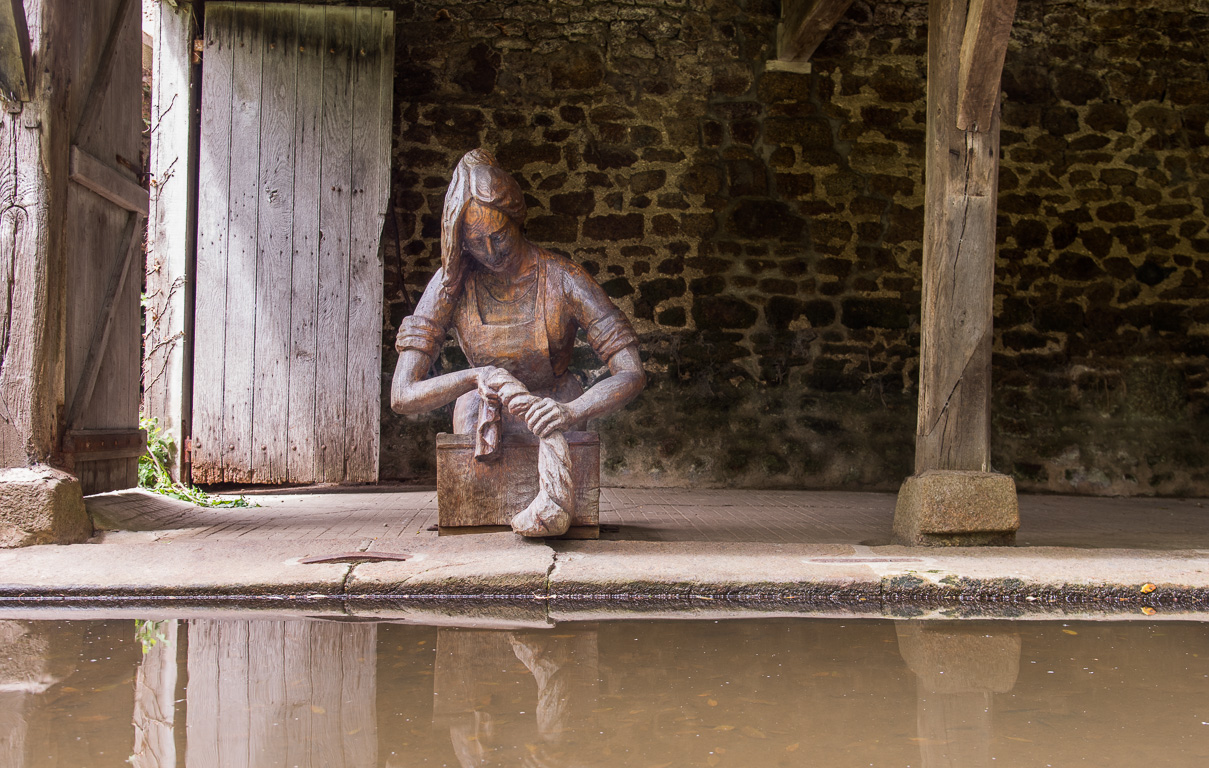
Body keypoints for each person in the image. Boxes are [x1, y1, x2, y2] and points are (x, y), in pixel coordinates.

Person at [391, 148, 645, 457]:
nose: (491, 253)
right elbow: (402, 394)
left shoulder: (564, 278)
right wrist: (475, 376)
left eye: (499, 236)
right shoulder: (452, 282)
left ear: (516, 219)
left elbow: (630, 372)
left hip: (555, 411)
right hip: (480, 414)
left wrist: (574, 410)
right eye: (475, 243)